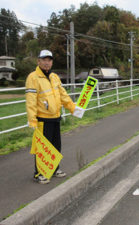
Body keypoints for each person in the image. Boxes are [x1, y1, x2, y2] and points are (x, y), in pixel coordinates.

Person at [25, 49, 84, 184]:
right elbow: (31, 101)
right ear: (38, 61)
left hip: (56, 117)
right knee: (43, 147)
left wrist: (72, 108)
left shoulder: (54, 77)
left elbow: (63, 95)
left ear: (51, 62)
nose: (46, 63)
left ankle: (54, 168)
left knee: (56, 145)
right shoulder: (33, 77)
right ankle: (39, 173)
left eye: (49, 60)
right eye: (44, 60)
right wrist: (32, 120)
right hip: (42, 119)